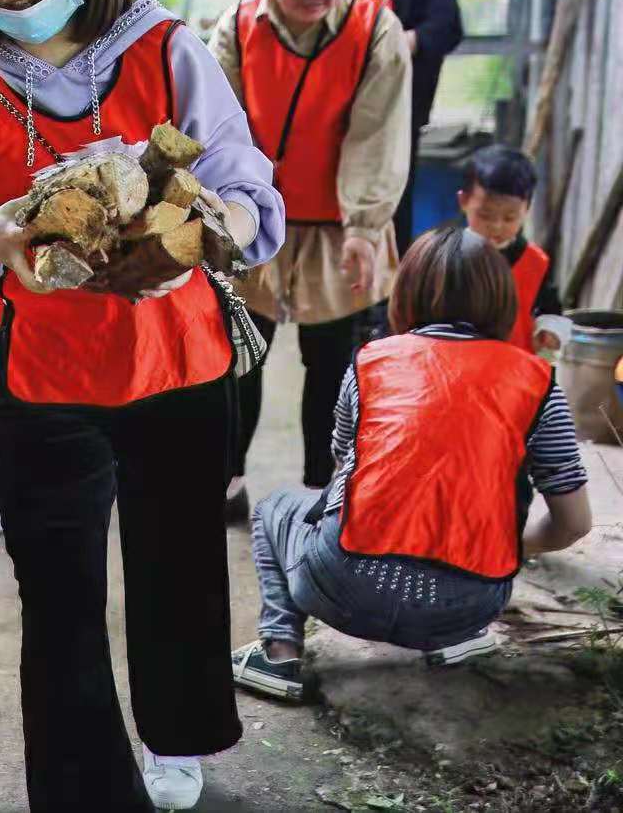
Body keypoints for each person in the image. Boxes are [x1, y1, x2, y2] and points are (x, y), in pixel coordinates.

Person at [0, 0, 285, 811]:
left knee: (179, 562)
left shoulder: (167, 51)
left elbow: (245, 185)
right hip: (41, 380)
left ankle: (177, 736)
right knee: (59, 597)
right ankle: (84, 789)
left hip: (181, 363)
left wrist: (206, 229)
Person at [232, 226, 591, 702]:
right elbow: (575, 523)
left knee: (276, 505)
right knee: (487, 527)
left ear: (405, 293)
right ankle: (455, 640)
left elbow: (346, 478)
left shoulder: (370, 362)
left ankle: (279, 652)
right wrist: (501, 545)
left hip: (343, 590)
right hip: (468, 606)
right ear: (502, 300)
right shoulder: (538, 382)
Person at [210, 0, 411, 508]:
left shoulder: (376, 27)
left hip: (336, 223)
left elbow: (377, 134)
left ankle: (320, 489)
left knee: (330, 364)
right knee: (239, 353)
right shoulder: (238, 26)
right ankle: (227, 481)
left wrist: (364, 226)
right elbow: (219, 127)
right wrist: (223, 215)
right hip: (255, 217)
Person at [343, 0, 464, 255]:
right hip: (332, 106)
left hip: (395, 108)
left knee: (392, 199)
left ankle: (387, 302)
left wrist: (395, 44)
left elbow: (447, 25)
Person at [457, 144, 567, 354]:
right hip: (461, 364)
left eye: (510, 217)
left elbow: (550, 309)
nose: (497, 226)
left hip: (517, 366)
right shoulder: (449, 256)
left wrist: (550, 329)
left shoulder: (535, 262)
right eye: (485, 215)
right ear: (463, 201)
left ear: (527, 208)